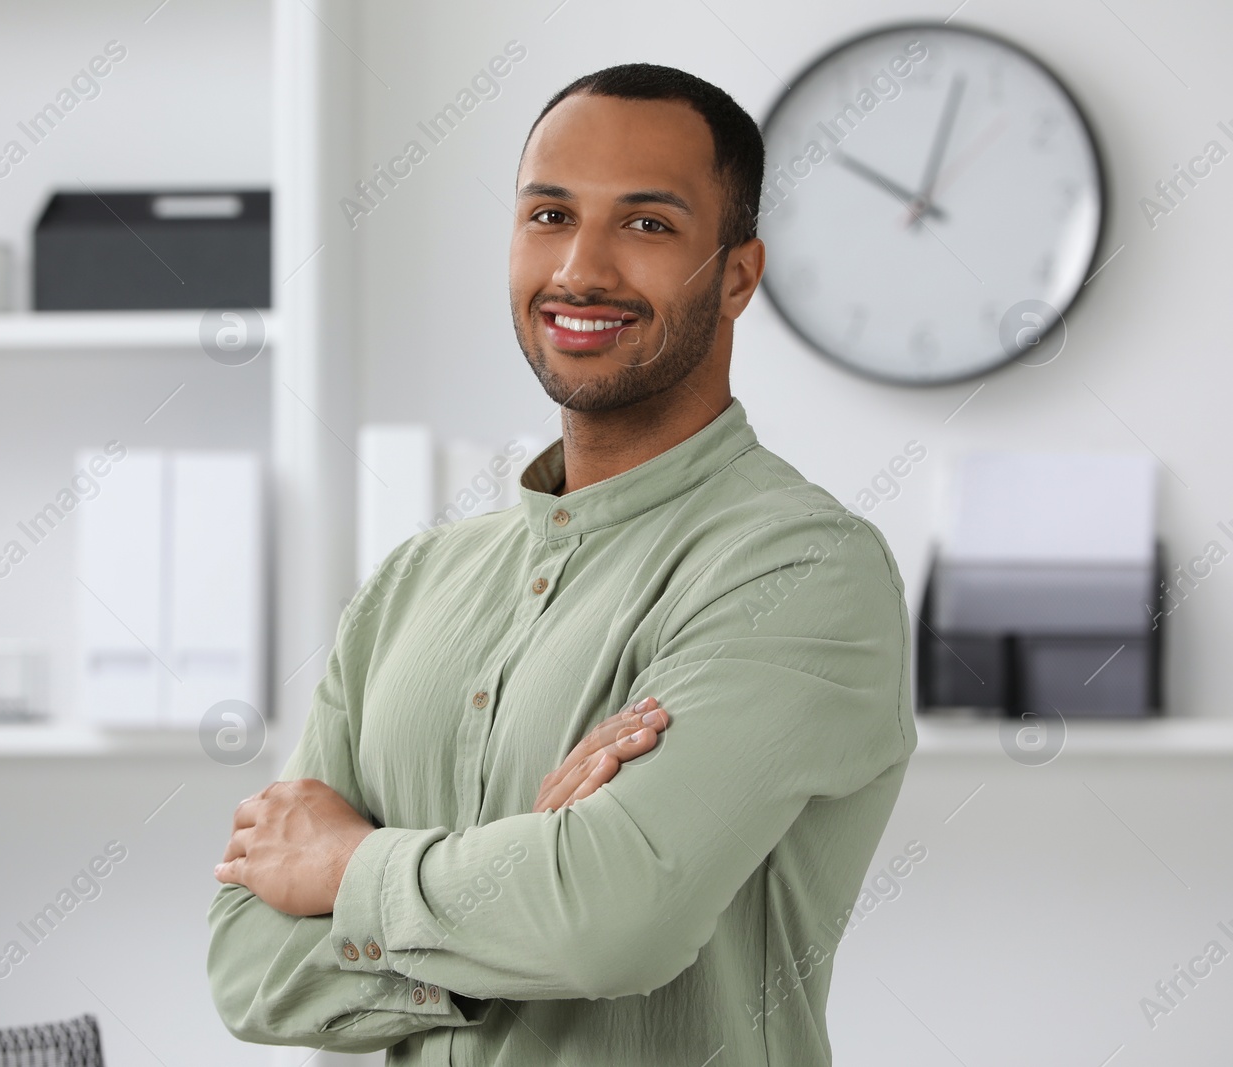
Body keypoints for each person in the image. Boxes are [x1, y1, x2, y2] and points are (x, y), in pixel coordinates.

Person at [207, 62, 915, 1066]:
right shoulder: (413, 582)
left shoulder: (802, 569)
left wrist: (349, 866)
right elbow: (246, 964)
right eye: (548, 214)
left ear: (738, 274)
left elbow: (609, 921)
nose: (581, 268)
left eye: (647, 224)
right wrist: (514, 888)